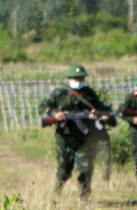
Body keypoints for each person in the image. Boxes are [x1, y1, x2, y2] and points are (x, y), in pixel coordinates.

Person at [39, 63, 115, 198]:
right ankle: (57, 191)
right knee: (64, 169)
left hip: (84, 138)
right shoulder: (60, 93)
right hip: (65, 137)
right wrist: (55, 113)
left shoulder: (89, 94)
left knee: (85, 169)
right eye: (75, 78)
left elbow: (100, 107)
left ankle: (84, 198)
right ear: (69, 78)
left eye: (81, 78)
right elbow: (44, 106)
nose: (78, 81)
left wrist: (101, 114)